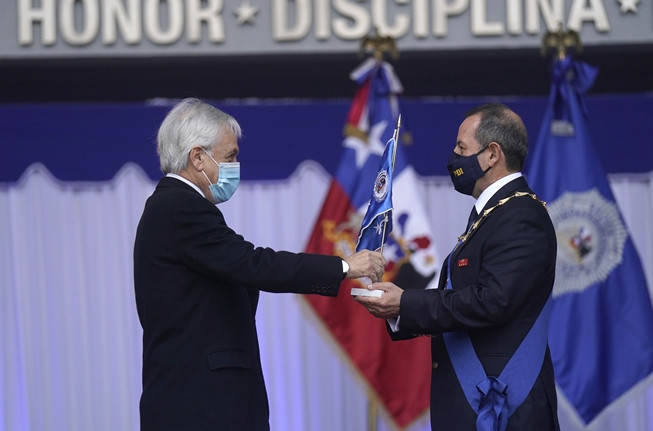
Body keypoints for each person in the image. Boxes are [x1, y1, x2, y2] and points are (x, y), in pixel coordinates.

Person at [133, 98, 385, 431]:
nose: (237, 164)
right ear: (197, 157)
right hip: (201, 407)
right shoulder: (179, 208)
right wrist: (343, 267)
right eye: (230, 156)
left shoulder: (171, 207)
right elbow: (254, 264)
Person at [354, 103, 559, 431]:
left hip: (504, 407)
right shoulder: (495, 215)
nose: (453, 156)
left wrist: (405, 303)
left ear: (492, 154)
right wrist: (397, 310)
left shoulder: (521, 215)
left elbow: (491, 301)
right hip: (476, 405)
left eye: (462, 148)